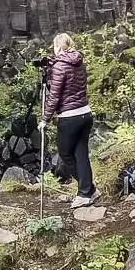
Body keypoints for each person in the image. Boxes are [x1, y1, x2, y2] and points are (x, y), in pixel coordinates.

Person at [42, 32, 96, 206]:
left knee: (65, 154)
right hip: (85, 114)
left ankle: (85, 191)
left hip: (69, 116)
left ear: (57, 46)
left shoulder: (59, 66)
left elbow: (54, 96)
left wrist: (45, 119)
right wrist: (52, 64)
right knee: (81, 154)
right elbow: (70, 79)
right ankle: (88, 191)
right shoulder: (79, 62)